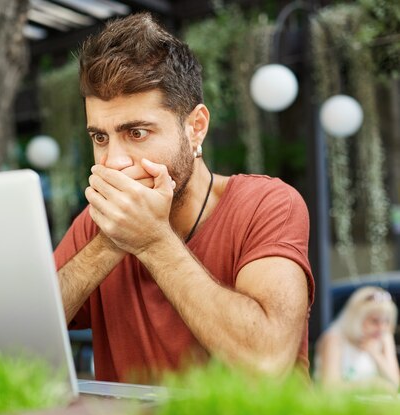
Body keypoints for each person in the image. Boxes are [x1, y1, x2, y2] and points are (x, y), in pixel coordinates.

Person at [53, 13, 314, 383]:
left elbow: (267, 361)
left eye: (137, 132)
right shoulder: (100, 223)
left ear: (195, 128)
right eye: (100, 137)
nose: (114, 162)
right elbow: (17, 338)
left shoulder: (267, 203)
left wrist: (152, 241)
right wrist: (112, 241)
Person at [314, 286, 399, 392]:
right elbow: (329, 388)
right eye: (374, 321)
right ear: (357, 318)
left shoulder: (384, 338)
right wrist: (370, 385)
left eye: (386, 321)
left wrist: (376, 355)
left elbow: (396, 383)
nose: (381, 328)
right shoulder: (334, 339)